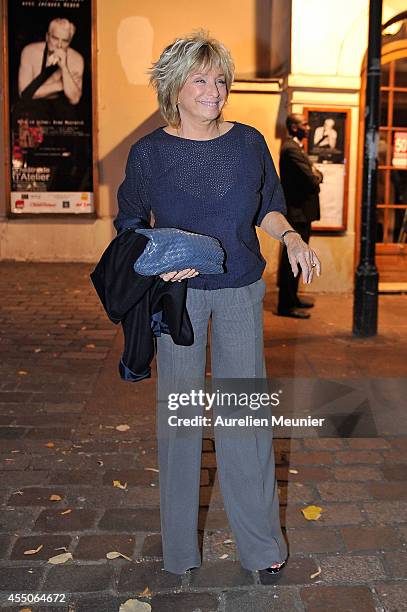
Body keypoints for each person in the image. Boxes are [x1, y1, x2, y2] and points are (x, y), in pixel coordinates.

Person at [115, 32, 321, 576]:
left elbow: (269, 208)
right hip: (176, 297)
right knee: (179, 420)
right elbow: (129, 225)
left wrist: (293, 238)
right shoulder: (149, 153)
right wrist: (158, 260)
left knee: (244, 421)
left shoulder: (249, 143)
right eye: (201, 79)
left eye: (220, 79)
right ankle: (180, 551)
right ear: (174, 88)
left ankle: (261, 549)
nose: (214, 89)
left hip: (238, 291)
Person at [277, 113, 323, 318]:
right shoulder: (291, 150)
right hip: (297, 214)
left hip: (301, 213)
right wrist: (316, 174)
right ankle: (285, 305)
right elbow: (312, 180)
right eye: (304, 124)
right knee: (292, 261)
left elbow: (313, 174)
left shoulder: (295, 148)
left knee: (298, 258)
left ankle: (292, 298)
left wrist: (315, 173)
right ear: (294, 127)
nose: (308, 128)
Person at [18, 17, 84, 106]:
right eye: (55, 38)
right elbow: (24, 94)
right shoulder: (30, 51)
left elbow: (74, 99)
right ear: (47, 36)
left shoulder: (77, 59)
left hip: (61, 110)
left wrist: (64, 67)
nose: (59, 45)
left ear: (70, 41)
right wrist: (61, 85)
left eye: (65, 41)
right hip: (32, 107)